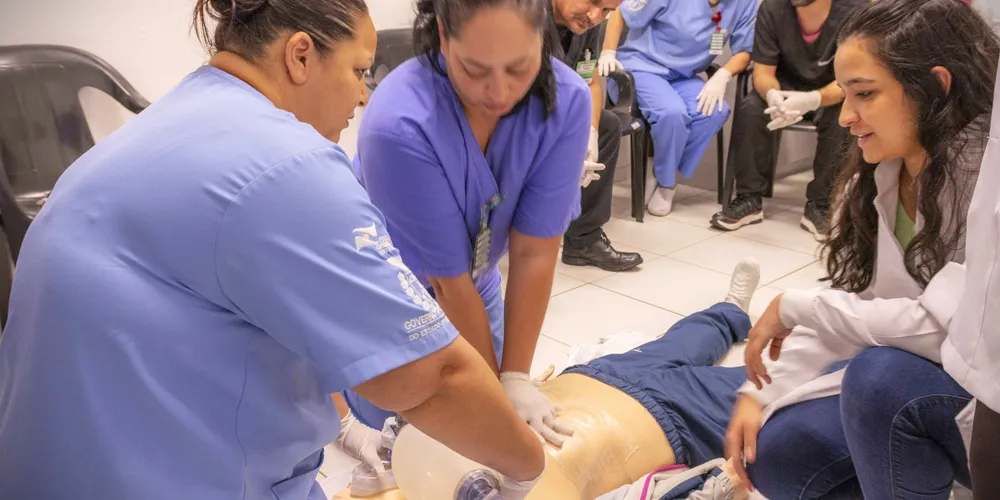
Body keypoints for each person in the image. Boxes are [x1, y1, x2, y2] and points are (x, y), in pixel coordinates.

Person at [0, 1, 549, 499]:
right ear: (300, 56)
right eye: (359, 71)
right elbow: (430, 379)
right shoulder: (289, 165)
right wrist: (527, 466)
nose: (364, 94)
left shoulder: (154, 132)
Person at [726, 1, 999, 498]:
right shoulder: (883, 172)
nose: (846, 115)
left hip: (979, 404)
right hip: (922, 383)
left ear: (935, 86)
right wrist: (759, 391)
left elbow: (945, 330)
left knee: (880, 382)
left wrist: (795, 306)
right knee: (777, 454)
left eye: (866, 94)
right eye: (845, 94)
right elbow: (862, 303)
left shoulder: (984, 178)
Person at [349, 0, 589, 450]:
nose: (499, 93)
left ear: (542, 36)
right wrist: (494, 404)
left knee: (489, 399)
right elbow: (446, 282)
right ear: (443, 35)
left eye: (519, 68)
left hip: (474, 283)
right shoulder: (397, 124)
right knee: (402, 442)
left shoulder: (565, 102)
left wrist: (513, 377)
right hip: (392, 296)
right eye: (475, 70)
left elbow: (534, 251)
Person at [335, 260, 762, 500]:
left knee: (686, 339)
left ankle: (731, 311)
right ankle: (808, 342)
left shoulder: (400, 475)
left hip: (594, 378)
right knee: (778, 385)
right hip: (670, 418)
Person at [710, 0, 865, 240]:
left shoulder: (855, 11)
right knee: (752, 107)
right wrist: (773, 96)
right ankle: (749, 198)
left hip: (835, 90)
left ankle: (820, 205)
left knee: (843, 119)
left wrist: (814, 99)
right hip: (784, 88)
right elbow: (763, 72)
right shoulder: (773, 8)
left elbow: (856, 78)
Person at [599, 0, 756, 216]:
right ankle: (667, 184)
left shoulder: (744, 3)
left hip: (684, 76)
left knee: (714, 112)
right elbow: (620, 12)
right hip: (641, 67)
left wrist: (723, 74)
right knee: (672, 113)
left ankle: (661, 169)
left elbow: (745, 51)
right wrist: (608, 52)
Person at [548, 0, 644, 272]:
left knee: (608, 125)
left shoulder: (587, 25)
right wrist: (566, 141)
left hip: (558, 108)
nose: (594, 16)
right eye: (592, 2)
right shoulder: (526, 14)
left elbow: (589, 81)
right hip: (515, 113)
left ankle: (583, 240)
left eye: (607, 11)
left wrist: (589, 133)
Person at [943, 53, 1000, 500]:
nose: (844, 117)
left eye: (864, 93)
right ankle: (726, 313)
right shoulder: (862, 178)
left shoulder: (967, 165)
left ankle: (725, 314)